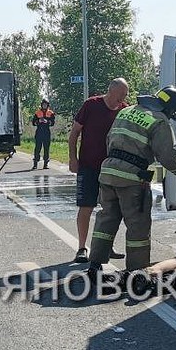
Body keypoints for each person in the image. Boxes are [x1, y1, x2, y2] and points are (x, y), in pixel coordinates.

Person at [88, 85, 176, 277]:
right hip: (132, 180)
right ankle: (137, 272)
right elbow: (167, 155)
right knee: (138, 225)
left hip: (108, 173)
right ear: (169, 108)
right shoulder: (160, 120)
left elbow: (109, 139)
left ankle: (94, 264)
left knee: (106, 219)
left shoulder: (126, 110)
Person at [69, 78, 130, 263]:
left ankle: (106, 246)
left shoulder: (123, 110)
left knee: (111, 209)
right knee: (86, 207)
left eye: (125, 96)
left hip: (112, 169)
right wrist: (73, 158)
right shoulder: (91, 105)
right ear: (111, 90)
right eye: (121, 95)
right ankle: (81, 248)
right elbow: (74, 134)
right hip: (88, 166)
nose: (122, 99)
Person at [30, 99, 56, 170]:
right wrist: (38, 121)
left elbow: (53, 123)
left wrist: (47, 121)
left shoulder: (50, 113)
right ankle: (35, 164)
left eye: (46, 104)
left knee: (46, 148)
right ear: (41, 105)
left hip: (46, 132)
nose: (44, 106)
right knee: (37, 148)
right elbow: (33, 123)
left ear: (47, 105)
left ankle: (45, 164)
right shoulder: (37, 113)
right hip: (39, 132)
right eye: (43, 104)